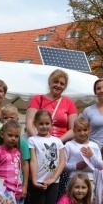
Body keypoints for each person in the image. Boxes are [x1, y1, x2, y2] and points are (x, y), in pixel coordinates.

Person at [25, 69, 78, 197]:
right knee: (37, 179)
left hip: (59, 147)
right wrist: (39, 142)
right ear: (50, 82)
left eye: (62, 83)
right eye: (56, 82)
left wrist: (57, 142)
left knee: (57, 184)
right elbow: (29, 123)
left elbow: (74, 129)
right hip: (38, 147)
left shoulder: (69, 103)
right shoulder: (38, 99)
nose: (58, 85)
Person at [28, 109, 67, 204]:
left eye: (47, 123)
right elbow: (33, 160)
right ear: (35, 124)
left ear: (51, 124)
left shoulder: (57, 141)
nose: (44, 126)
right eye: (41, 124)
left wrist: (53, 178)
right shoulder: (32, 140)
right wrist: (34, 180)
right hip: (38, 182)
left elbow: (62, 161)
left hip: (53, 182)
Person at [64, 117, 103, 189]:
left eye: (85, 130)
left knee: (88, 200)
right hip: (73, 179)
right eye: (79, 130)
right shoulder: (69, 145)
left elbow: (101, 166)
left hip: (89, 179)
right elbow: (63, 165)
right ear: (74, 131)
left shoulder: (94, 146)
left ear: (89, 130)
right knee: (73, 199)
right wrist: (75, 166)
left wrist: (91, 156)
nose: (82, 133)